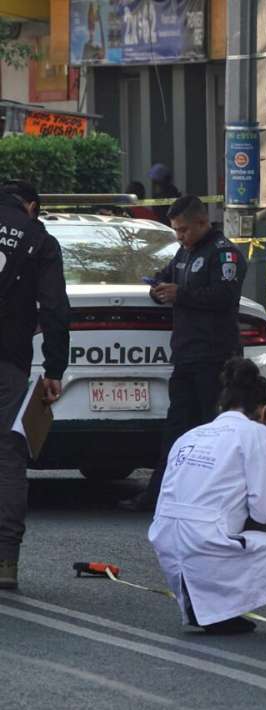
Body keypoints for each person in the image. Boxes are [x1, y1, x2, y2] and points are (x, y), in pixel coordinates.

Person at [149, 357, 266, 634]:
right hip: (207, 543)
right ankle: (223, 602)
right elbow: (265, 511)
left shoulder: (190, 435)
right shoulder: (258, 434)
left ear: (221, 406)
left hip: (167, 543)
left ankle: (213, 606)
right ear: (263, 411)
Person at [119, 196, 246, 512]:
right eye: (175, 231)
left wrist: (182, 294)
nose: (179, 236)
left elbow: (225, 296)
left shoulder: (224, 254)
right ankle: (159, 496)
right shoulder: (184, 253)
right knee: (176, 433)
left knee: (213, 431)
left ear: (203, 223)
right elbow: (164, 276)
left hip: (215, 358)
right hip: (186, 356)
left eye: (184, 230)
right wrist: (157, 288)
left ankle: (220, 501)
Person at [0, 181, 70, 590]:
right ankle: (6, 562)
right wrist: (55, 369)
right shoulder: (38, 237)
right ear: (30, 207)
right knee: (8, 458)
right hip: (7, 363)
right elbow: (55, 308)